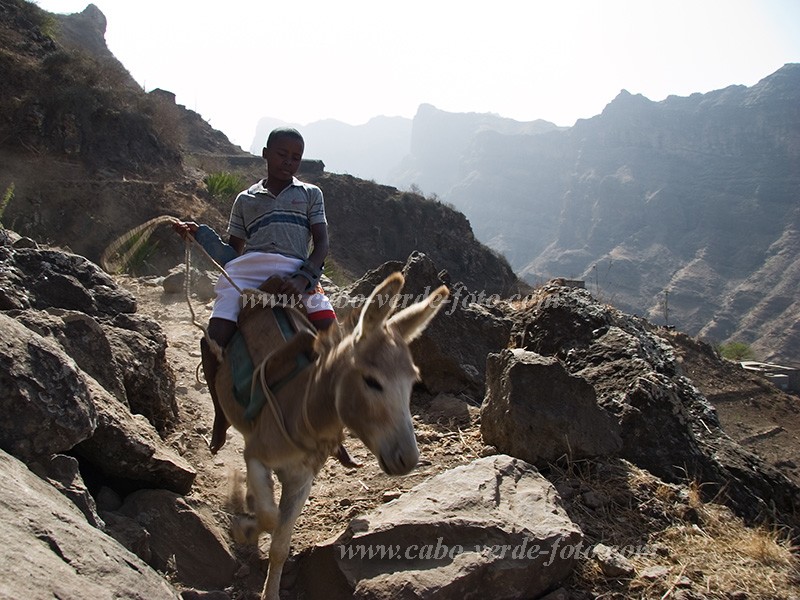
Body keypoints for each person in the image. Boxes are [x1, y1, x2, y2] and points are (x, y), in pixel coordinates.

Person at [174, 127, 358, 466]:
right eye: (282, 154)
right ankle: (220, 415)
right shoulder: (245, 199)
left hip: (296, 268)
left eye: (295, 157)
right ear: (265, 153)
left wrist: (305, 278)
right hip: (249, 269)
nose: (289, 162)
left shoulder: (310, 194)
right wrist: (200, 235)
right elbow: (232, 252)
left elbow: (322, 245)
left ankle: (333, 429)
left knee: (335, 338)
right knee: (214, 338)